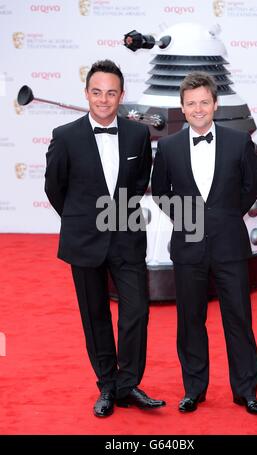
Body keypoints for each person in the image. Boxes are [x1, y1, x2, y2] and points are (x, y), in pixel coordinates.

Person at [45, 59, 166, 417]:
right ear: (86, 94)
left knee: (137, 312)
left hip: (127, 236)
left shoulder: (137, 134)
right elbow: (55, 188)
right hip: (84, 239)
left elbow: (140, 180)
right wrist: (81, 220)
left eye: (111, 93)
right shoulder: (64, 136)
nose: (103, 99)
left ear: (121, 96)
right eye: (96, 92)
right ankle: (107, 386)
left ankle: (128, 384)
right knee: (95, 315)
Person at [151, 72, 257, 415]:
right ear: (182, 109)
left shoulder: (238, 142)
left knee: (239, 319)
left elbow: (252, 185)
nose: (198, 109)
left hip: (230, 244)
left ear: (215, 104)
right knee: (190, 320)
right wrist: (190, 220)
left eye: (204, 102)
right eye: (191, 104)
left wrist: (227, 216)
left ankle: (246, 391)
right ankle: (194, 389)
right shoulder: (168, 147)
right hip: (188, 246)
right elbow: (160, 193)